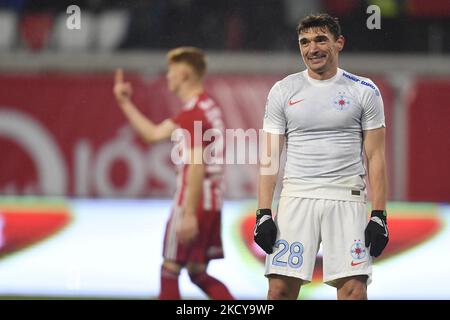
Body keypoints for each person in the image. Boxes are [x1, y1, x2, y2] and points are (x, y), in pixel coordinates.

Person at [254, 14, 389, 300]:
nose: (311, 48)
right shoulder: (283, 90)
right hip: (296, 198)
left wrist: (379, 215)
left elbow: (376, 156)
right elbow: (270, 156)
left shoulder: (364, 91)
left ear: (339, 43)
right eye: (304, 42)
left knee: (354, 290)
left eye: (320, 40)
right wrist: (263, 212)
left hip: (346, 198)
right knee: (278, 290)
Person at [113, 47, 233, 300]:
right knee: (197, 272)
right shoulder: (207, 107)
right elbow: (153, 133)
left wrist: (188, 213)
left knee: (169, 270)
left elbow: (197, 164)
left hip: (193, 201)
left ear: (185, 75)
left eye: (171, 72)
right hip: (211, 201)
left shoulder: (193, 114)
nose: (167, 77)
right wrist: (125, 102)